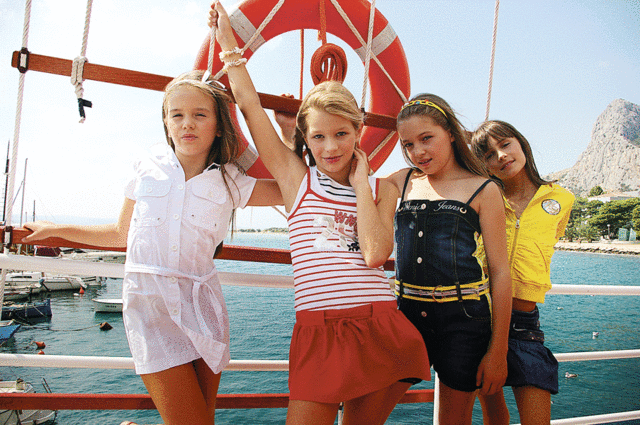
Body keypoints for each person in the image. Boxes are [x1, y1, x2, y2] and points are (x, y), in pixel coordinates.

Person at [209, 3, 431, 424]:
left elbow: (375, 254)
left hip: (378, 324)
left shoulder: (381, 189)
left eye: (342, 134)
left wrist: (362, 183)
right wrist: (228, 45)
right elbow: (250, 108)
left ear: (359, 130)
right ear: (305, 138)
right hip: (319, 331)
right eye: (319, 137)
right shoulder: (297, 179)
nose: (331, 147)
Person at [22, 69, 282, 425]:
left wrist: (287, 132)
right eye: (177, 115)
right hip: (150, 309)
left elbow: (292, 186)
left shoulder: (231, 181)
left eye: (200, 114)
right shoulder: (147, 167)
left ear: (220, 127)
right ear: (166, 123)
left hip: (202, 307)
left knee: (201, 420)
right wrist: (57, 230)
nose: (187, 123)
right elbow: (120, 234)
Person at [385, 94, 512, 425]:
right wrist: (290, 135)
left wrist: (497, 353)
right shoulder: (401, 181)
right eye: (408, 144)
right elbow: (343, 179)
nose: (418, 151)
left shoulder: (484, 189)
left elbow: (500, 272)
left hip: (465, 320)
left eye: (427, 138)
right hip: (406, 315)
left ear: (451, 134)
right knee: (362, 413)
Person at [471, 120, 575, 425]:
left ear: (521, 143)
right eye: (489, 155)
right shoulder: (484, 197)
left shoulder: (562, 198)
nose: (501, 156)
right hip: (480, 316)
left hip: (525, 323)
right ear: (484, 165)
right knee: (494, 417)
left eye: (505, 144)